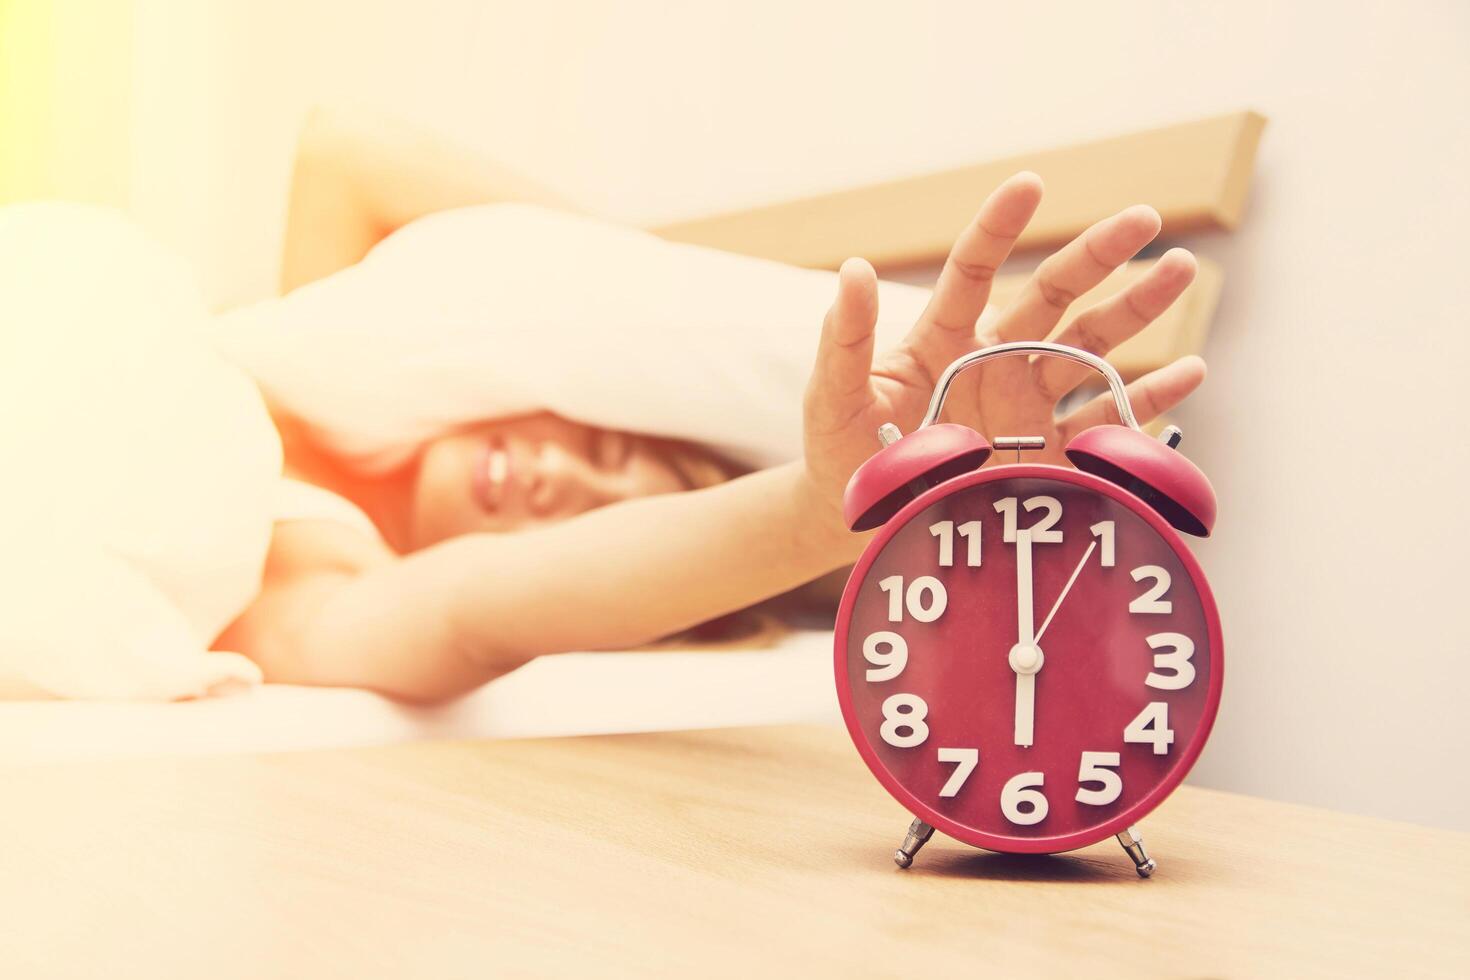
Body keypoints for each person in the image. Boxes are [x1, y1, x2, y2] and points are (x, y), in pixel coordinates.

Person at [217, 111, 1205, 702]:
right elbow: (338, 146)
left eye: (588, 517)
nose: (557, 472)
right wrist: (647, 278)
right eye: (598, 438)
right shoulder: (325, 362)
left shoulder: (314, 578)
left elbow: (469, 618)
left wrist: (826, 507)